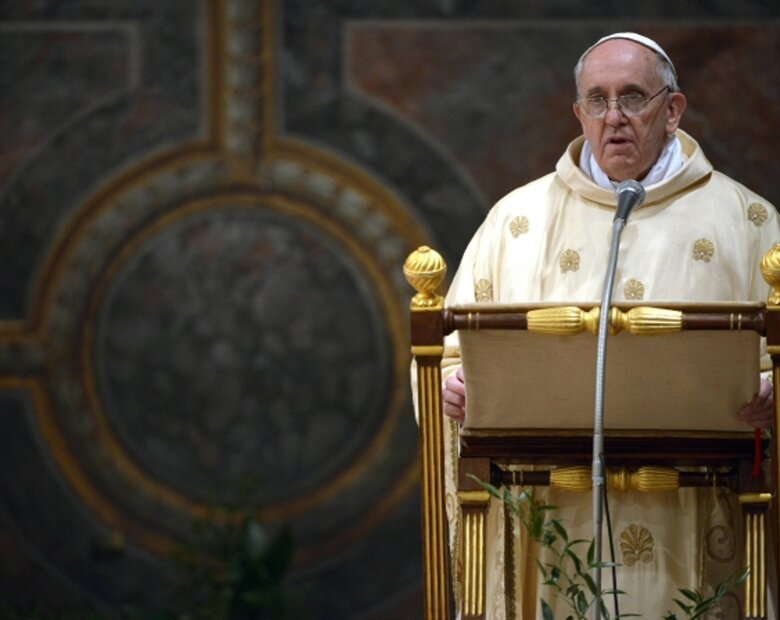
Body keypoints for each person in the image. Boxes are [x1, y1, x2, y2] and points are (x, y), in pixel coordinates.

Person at [437, 32, 779, 618]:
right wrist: (452, 386)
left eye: (633, 98)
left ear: (673, 110)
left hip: (694, 519)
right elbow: (449, 355)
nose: (614, 118)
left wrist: (775, 397)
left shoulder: (747, 222)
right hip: (551, 523)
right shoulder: (516, 222)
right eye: (597, 100)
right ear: (578, 113)